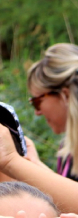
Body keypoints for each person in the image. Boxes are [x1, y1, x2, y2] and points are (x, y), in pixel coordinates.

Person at [28, 43, 78, 181]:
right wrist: (34, 165)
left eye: (37, 102)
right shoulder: (68, 146)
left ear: (65, 96)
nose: (37, 112)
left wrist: (11, 162)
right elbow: (68, 192)